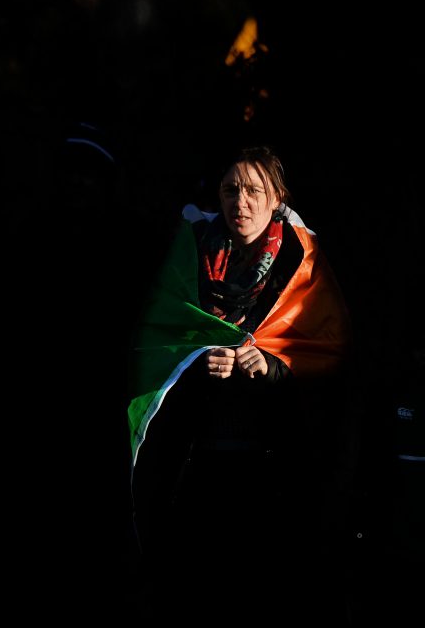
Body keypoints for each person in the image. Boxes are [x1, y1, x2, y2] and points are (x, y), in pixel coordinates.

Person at [127, 146, 353, 625]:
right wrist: (195, 359)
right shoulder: (189, 252)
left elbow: (324, 349)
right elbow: (156, 339)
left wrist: (270, 365)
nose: (241, 202)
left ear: (277, 199)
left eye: (255, 191)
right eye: (231, 190)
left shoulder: (301, 263)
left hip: (271, 471)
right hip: (193, 464)